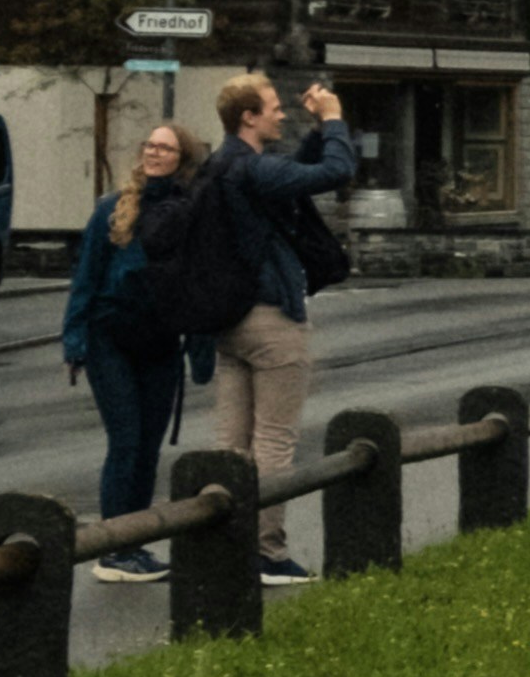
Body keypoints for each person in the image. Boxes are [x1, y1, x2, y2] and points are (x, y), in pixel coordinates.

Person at [190, 70, 357, 584]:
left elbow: (292, 174)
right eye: (272, 106)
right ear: (248, 117)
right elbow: (335, 171)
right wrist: (333, 120)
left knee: (231, 442)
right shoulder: (253, 171)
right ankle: (267, 552)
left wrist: (311, 130)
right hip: (272, 321)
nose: (280, 112)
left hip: (229, 321)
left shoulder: (221, 167)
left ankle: (225, 543)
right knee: (274, 442)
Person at [61, 122, 199, 584]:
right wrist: (74, 339)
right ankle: (113, 549)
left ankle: (134, 544)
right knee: (125, 440)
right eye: (150, 146)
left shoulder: (187, 212)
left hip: (160, 343)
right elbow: (86, 276)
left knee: (148, 448)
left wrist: (200, 346)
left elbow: (196, 286)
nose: (155, 153)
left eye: (166, 148)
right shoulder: (112, 208)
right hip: (110, 338)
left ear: (183, 159)